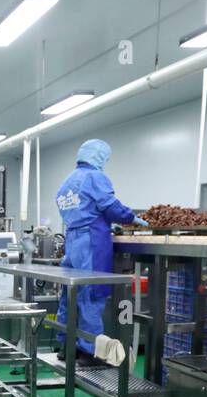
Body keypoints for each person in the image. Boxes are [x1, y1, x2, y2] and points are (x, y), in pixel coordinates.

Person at [53, 139, 147, 354]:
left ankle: (67, 345)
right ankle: (89, 350)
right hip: (91, 240)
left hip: (73, 240)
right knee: (92, 295)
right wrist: (131, 217)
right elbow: (111, 206)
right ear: (99, 156)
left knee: (71, 293)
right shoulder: (95, 177)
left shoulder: (67, 181)